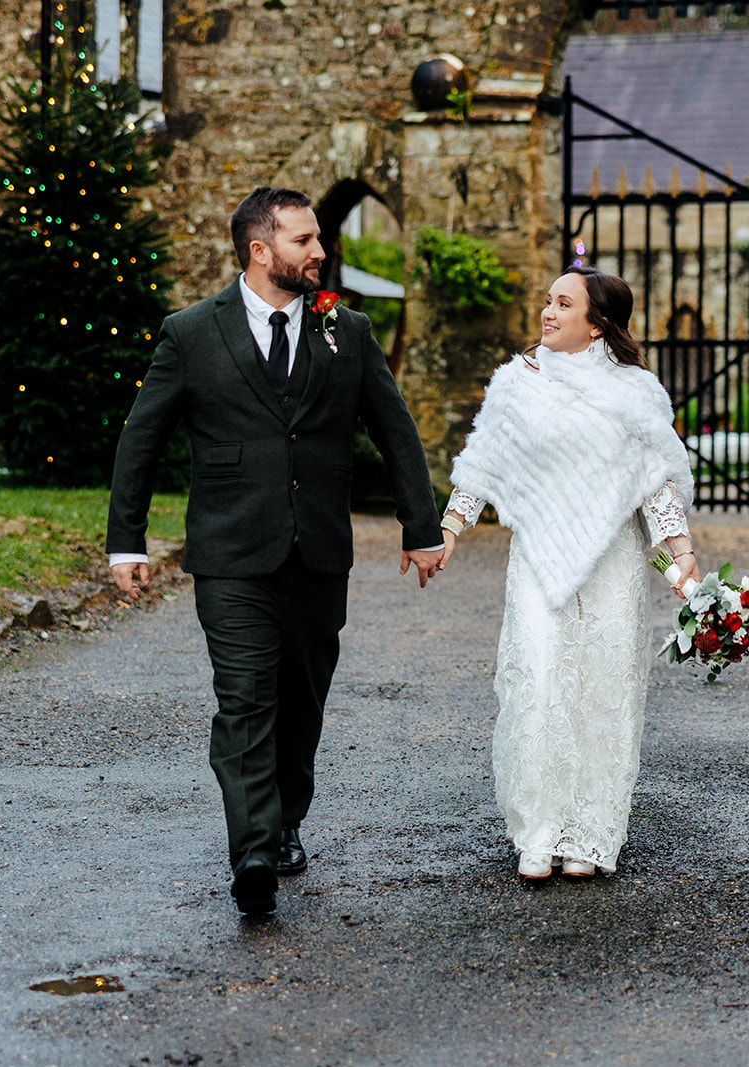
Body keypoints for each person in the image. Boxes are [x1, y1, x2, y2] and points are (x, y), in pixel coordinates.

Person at [106, 187, 445, 920]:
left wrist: (421, 528)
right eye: (302, 240)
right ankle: (253, 848)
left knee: (302, 700)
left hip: (319, 551)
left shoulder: (345, 331)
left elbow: (396, 431)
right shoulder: (192, 332)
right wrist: (125, 541)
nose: (319, 252)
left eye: (317, 239)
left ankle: (288, 813)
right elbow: (142, 439)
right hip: (231, 553)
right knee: (245, 699)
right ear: (260, 251)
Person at [435, 266, 701, 880]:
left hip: (614, 566)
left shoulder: (634, 392)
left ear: (597, 322)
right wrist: (448, 529)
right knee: (539, 685)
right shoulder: (517, 383)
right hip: (537, 563)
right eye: (546, 300)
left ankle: (588, 832)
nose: (547, 312)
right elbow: (485, 459)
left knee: (603, 689)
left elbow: (654, 484)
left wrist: (678, 557)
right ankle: (539, 830)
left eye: (563, 303)